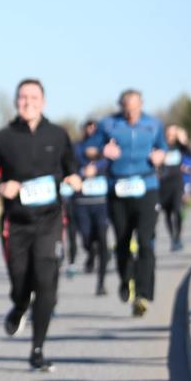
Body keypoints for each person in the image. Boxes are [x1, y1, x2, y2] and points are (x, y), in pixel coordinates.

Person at [0, 79, 81, 371]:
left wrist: (73, 177)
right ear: (16, 102)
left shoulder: (58, 134)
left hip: (50, 219)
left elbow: (70, 165)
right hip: (17, 222)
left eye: (34, 97)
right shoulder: (2, 137)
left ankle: (37, 348)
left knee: (46, 279)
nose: (28, 102)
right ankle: (20, 305)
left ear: (44, 101)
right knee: (21, 280)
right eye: (23, 97)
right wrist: (0, 186)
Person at [86, 89, 167, 317]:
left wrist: (160, 156)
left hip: (146, 186)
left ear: (141, 104)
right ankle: (126, 279)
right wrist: (102, 151)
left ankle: (142, 294)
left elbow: (163, 148)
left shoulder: (153, 124)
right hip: (117, 188)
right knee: (122, 241)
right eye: (127, 109)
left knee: (144, 240)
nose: (131, 113)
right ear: (121, 106)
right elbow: (88, 149)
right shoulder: (108, 124)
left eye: (135, 108)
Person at [74, 120, 112, 295]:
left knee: (103, 241)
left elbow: (111, 161)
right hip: (82, 203)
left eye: (93, 126)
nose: (90, 129)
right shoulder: (78, 146)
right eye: (87, 126)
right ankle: (90, 254)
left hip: (101, 203)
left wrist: (97, 166)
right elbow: (73, 162)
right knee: (87, 240)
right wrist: (83, 172)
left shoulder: (106, 146)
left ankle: (101, 283)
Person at [159, 125, 191, 251]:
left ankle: (178, 237)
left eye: (173, 133)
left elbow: (190, 153)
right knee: (167, 213)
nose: (170, 136)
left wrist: (183, 140)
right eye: (168, 133)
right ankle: (172, 238)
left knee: (177, 210)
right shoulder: (161, 145)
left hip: (177, 183)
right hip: (164, 184)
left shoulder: (180, 146)